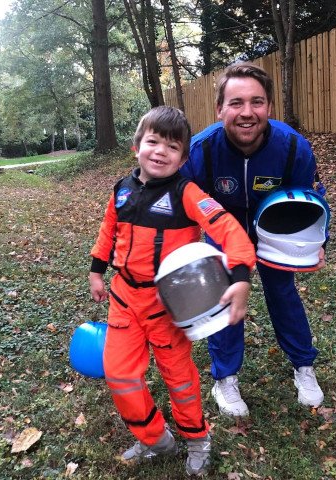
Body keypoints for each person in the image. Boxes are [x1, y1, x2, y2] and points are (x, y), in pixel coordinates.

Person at [89, 106, 256, 476]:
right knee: (119, 374)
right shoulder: (121, 190)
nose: (160, 151)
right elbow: (108, 229)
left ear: (183, 157)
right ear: (137, 146)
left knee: (179, 379)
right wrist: (97, 270)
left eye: (172, 146)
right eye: (153, 141)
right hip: (123, 299)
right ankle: (155, 439)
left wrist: (241, 275)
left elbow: (229, 228)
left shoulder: (188, 193)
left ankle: (197, 437)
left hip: (167, 306)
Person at [180, 62, 327, 416]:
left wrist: (320, 242)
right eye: (236, 103)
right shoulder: (199, 151)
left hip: (275, 231)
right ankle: (225, 378)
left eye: (257, 102)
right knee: (225, 299)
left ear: (269, 107)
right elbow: (173, 203)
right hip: (224, 233)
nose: (247, 113)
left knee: (282, 292)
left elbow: (313, 198)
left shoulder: (294, 148)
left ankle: (304, 366)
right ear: (219, 109)